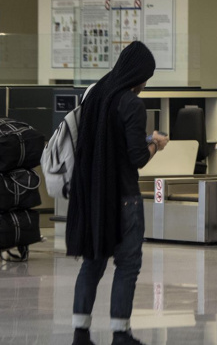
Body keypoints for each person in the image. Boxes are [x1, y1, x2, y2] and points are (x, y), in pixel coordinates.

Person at [68, 41, 170, 345]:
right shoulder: (131, 104)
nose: (145, 84)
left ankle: (80, 332)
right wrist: (155, 144)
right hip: (125, 197)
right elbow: (137, 158)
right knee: (127, 265)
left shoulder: (96, 95)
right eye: (146, 77)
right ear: (139, 74)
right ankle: (120, 333)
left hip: (94, 195)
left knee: (93, 262)